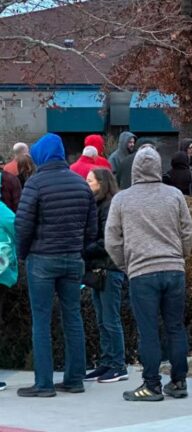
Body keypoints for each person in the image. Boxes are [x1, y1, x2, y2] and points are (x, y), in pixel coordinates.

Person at [106, 145, 192, 402]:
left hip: (142, 272)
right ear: (158, 167)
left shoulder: (122, 199)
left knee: (148, 331)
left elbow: (112, 239)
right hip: (173, 269)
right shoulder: (174, 195)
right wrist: (180, 256)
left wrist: (126, 264)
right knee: (175, 327)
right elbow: (188, 231)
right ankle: (179, 381)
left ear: (134, 169)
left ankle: (151, 385)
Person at [15, 133, 98, 397]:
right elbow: (92, 227)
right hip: (73, 259)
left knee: (41, 321)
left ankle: (44, 383)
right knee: (73, 317)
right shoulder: (80, 184)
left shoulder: (35, 184)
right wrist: (78, 249)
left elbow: (23, 224)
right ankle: (75, 379)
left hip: (42, 258)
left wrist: (23, 253)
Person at [82, 168, 128, 384]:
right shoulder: (98, 205)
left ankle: (118, 365)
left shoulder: (109, 207)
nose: (86, 183)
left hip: (109, 268)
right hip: (99, 268)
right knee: (102, 319)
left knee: (110, 319)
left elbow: (109, 240)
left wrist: (85, 249)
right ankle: (107, 361)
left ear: (102, 183)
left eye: (90, 180)